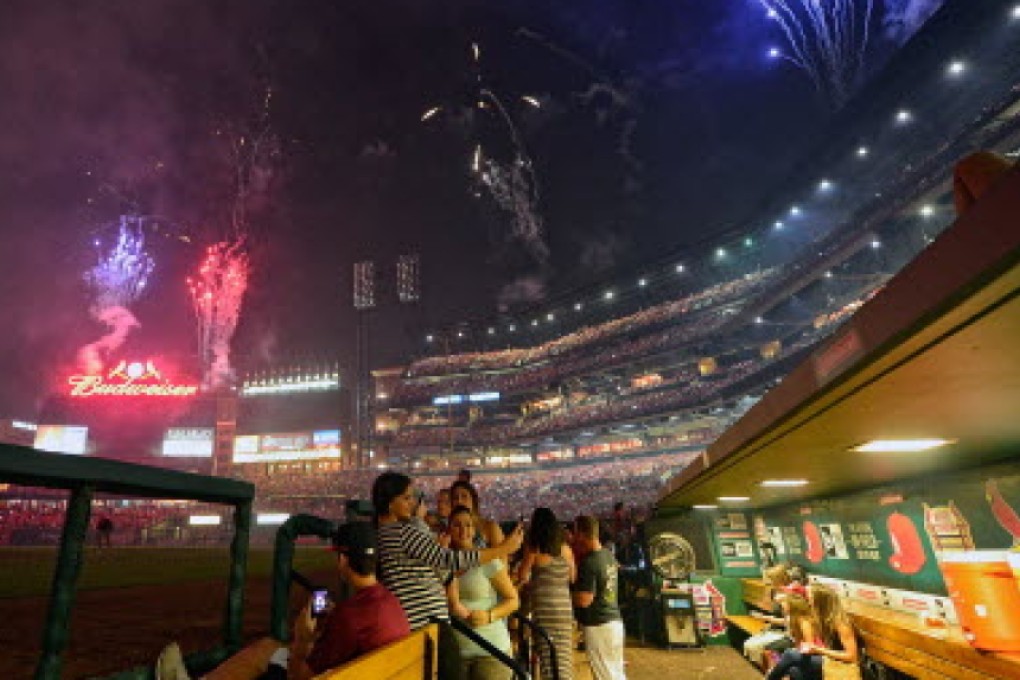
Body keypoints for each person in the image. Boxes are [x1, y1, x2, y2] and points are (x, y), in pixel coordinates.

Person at [155, 522, 410, 680]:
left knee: (266, 652)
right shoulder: (390, 601)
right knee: (271, 648)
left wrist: (303, 639)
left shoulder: (351, 616)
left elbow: (301, 675)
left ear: (343, 560)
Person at [373, 472, 523, 631]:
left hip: (419, 620)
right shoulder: (401, 532)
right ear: (390, 502)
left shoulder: (387, 533)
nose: (412, 503)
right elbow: (449, 560)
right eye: (406, 498)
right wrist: (504, 549)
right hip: (423, 622)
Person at [446, 505, 520, 680]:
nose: (463, 530)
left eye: (468, 525)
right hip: (456, 654)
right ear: (449, 529)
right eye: (457, 525)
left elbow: (513, 600)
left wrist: (489, 616)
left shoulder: (487, 559)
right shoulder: (443, 560)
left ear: (474, 530)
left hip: (490, 651)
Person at [520, 507, 575, 680]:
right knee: (563, 659)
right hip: (564, 610)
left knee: (548, 658)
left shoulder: (534, 550)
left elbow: (522, 576)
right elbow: (572, 577)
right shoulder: (565, 550)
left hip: (545, 610)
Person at [766, 584, 857, 680]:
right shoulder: (822, 618)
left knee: (790, 655)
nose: (808, 601)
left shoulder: (841, 623)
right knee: (793, 670)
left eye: (810, 599)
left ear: (820, 602)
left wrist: (818, 650)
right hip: (827, 660)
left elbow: (852, 657)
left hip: (840, 665)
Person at [573, 515, 625, 680]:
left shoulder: (590, 562)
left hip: (599, 626)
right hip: (614, 623)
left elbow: (584, 599)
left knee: (605, 675)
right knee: (615, 673)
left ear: (582, 534)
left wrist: (565, 594)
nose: (574, 539)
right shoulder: (608, 555)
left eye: (575, 534)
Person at [450, 480, 504, 549]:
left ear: (473, 500)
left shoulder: (490, 527)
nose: (459, 501)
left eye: (464, 496)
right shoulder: (448, 531)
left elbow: (502, 557)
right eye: (455, 498)